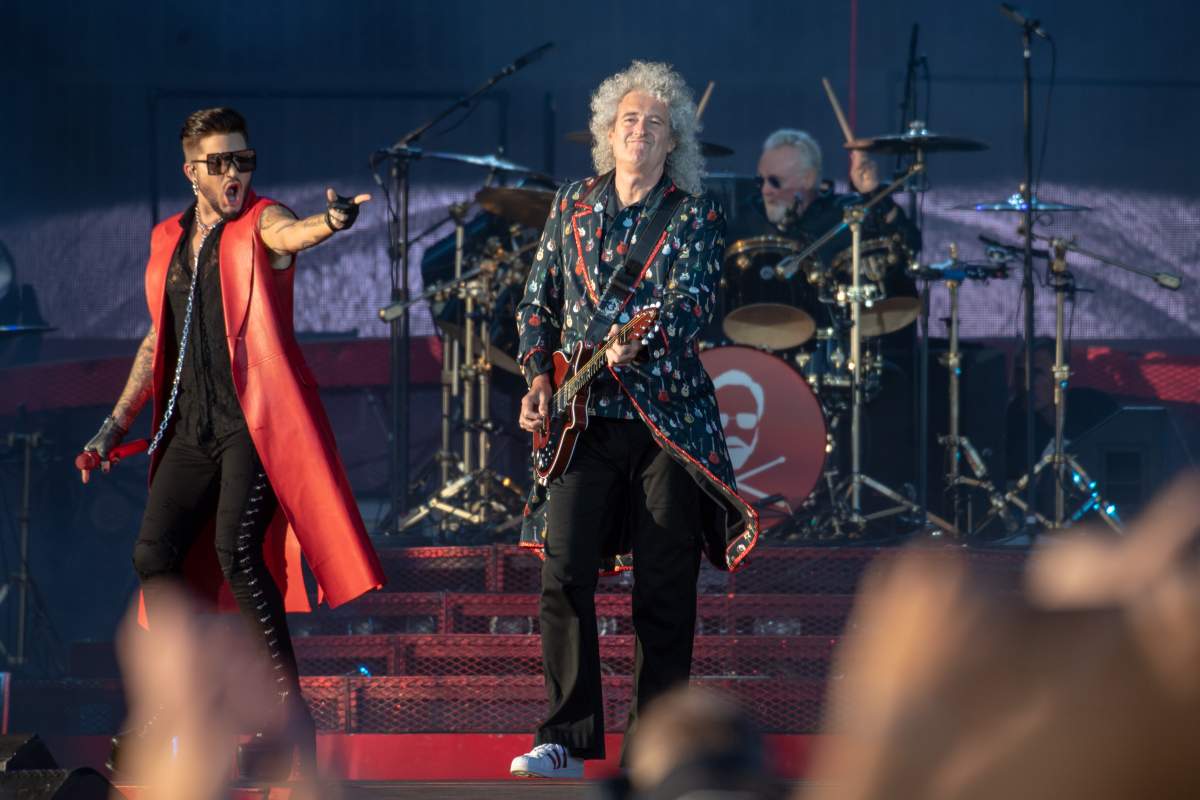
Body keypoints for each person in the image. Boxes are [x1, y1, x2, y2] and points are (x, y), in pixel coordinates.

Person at [79, 107, 386, 779]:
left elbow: (294, 233)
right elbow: (157, 338)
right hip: (190, 427)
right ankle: (177, 698)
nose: (235, 174)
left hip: (253, 425)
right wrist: (113, 426)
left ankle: (287, 721)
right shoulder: (167, 240)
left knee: (236, 550)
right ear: (191, 171)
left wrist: (332, 223)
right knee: (153, 555)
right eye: (219, 163)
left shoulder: (261, 222)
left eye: (243, 160)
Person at [509, 61, 759, 778]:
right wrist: (536, 376)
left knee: (663, 584)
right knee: (563, 574)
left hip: (665, 424)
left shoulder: (694, 214)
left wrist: (639, 339)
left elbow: (693, 305)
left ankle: (656, 748)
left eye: (654, 122)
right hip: (581, 420)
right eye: (628, 120)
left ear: (672, 138)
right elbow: (536, 304)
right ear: (606, 133)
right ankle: (565, 736)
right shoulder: (571, 205)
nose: (640, 131)